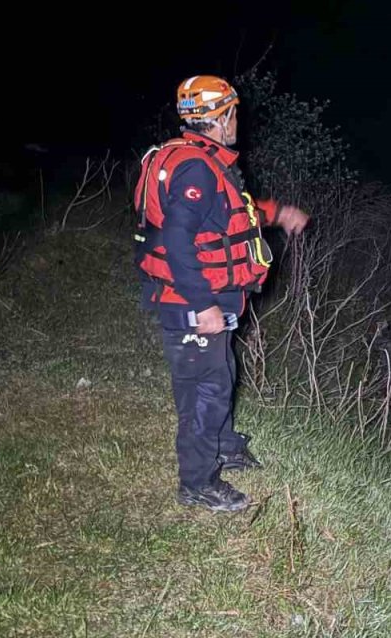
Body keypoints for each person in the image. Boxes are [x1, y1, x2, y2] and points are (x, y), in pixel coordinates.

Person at [133, 75, 309, 512]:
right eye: (234, 113)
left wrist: (278, 212)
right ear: (222, 116)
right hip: (192, 302)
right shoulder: (196, 167)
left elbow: (234, 211)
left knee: (221, 373)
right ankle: (197, 482)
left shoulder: (204, 160)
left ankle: (225, 445)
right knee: (203, 391)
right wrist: (203, 304)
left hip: (211, 296)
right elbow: (176, 239)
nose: (238, 121)